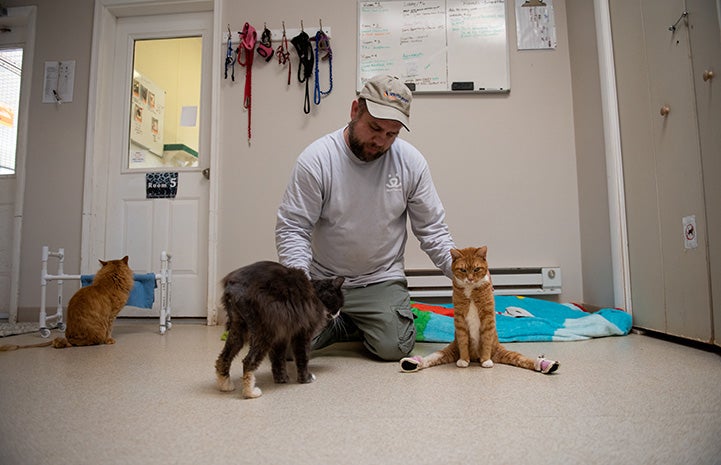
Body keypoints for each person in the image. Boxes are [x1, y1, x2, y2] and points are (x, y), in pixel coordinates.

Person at [275, 74, 456, 361]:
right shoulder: (317, 159)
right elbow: (293, 228)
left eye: (392, 134)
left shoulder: (411, 163)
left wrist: (460, 273)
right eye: (374, 128)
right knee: (284, 350)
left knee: (393, 348)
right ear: (354, 111)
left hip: (379, 278)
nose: (381, 141)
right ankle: (341, 325)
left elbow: (433, 229)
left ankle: (354, 324)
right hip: (323, 280)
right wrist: (302, 286)